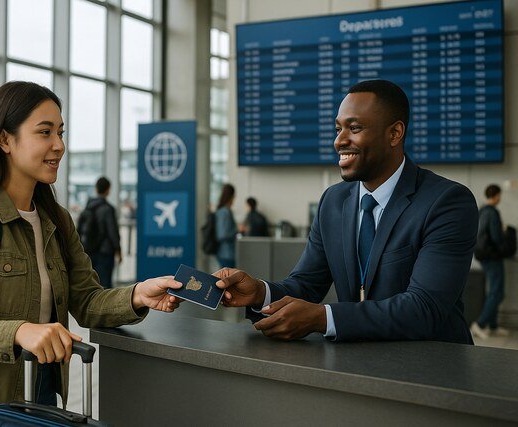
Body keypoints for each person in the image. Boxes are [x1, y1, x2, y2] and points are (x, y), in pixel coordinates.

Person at [0, 81, 183, 425]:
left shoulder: (56, 219)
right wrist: (19, 332)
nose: (59, 146)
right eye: (44, 132)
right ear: (5, 140)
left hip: (39, 403)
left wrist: (138, 295)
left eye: (60, 132)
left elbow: (87, 301)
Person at [215, 80, 478, 344]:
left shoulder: (447, 202)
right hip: (356, 368)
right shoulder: (333, 201)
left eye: (354, 128)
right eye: (338, 129)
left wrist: (322, 318)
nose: (339, 141)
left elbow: (424, 309)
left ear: (395, 133)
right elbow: (306, 285)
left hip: (433, 369)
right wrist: (260, 293)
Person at [470, 184, 510, 339]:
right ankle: (479, 324)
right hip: (493, 257)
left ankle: (492, 325)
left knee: (493, 290)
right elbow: (496, 237)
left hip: (482, 255)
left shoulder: (481, 210)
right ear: (497, 195)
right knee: (497, 292)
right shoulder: (492, 212)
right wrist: (504, 243)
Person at [77, 177, 121, 288]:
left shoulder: (87, 208)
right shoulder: (108, 209)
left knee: (92, 284)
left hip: (89, 251)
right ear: (108, 190)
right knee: (105, 285)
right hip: (105, 252)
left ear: (96, 189)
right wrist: (118, 250)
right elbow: (113, 232)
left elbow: (78, 231)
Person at [214, 183, 238, 268]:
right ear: (231, 196)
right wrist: (237, 229)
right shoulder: (225, 212)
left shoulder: (221, 211)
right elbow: (222, 235)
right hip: (226, 254)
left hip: (224, 253)